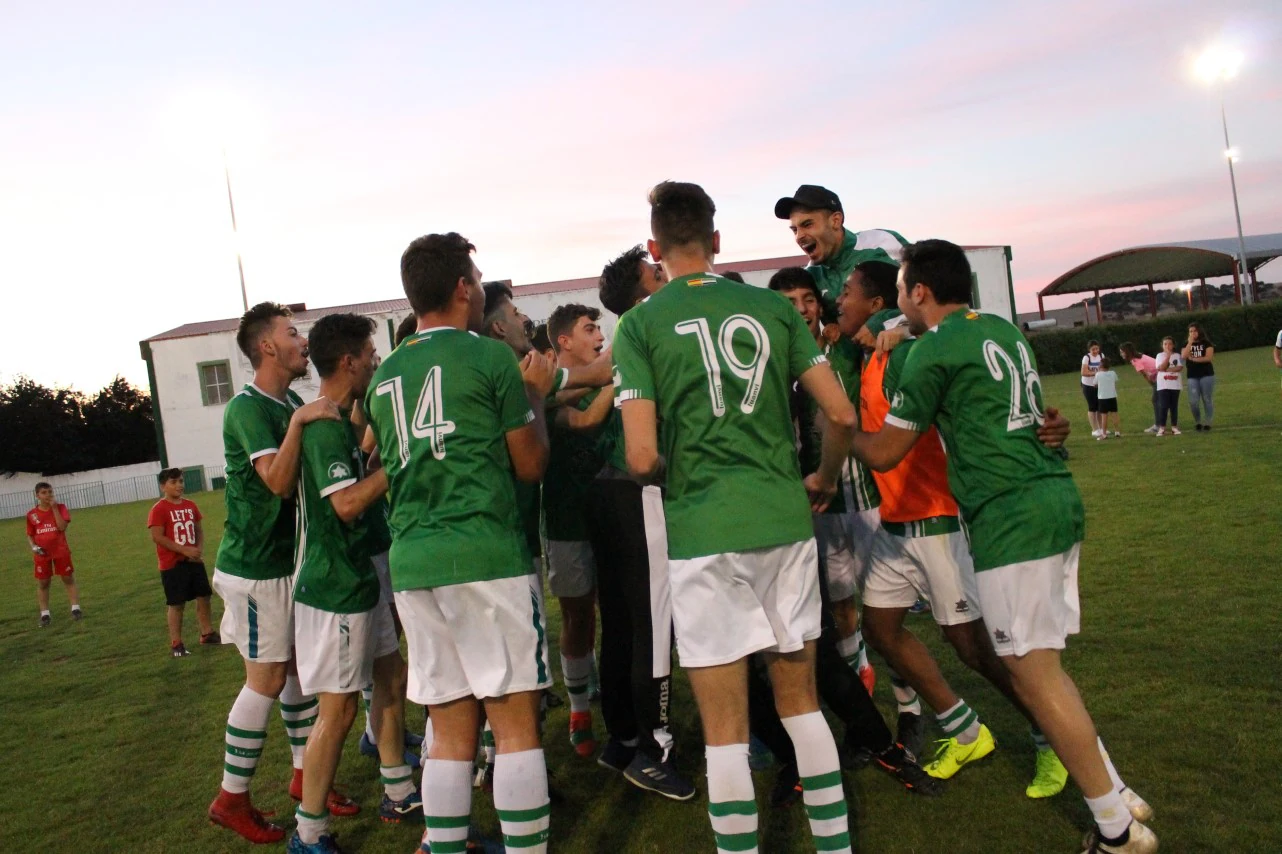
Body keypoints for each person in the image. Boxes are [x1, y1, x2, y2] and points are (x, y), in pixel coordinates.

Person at [849, 239, 1155, 853]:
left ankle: (1117, 835)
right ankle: (1117, 793)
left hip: (1010, 514)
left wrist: (837, 428)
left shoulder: (930, 349)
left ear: (919, 292)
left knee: (1034, 675)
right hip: (1053, 498)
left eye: (904, 292)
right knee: (1045, 670)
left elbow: (884, 450)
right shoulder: (1000, 330)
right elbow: (1028, 411)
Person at [615, 182, 854, 853]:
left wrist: (678, 468)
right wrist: (825, 479)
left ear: (656, 250)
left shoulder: (639, 324)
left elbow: (638, 457)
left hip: (703, 531)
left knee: (724, 729)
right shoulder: (771, 309)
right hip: (782, 517)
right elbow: (840, 415)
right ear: (716, 241)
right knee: (801, 703)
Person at [838, 265, 1071, 797]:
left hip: (937, 519)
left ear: (880, 303)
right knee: (882, 630)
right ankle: (965, 730)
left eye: (845, 294)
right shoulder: (862, 356)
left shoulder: (905, 354)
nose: (835, 303)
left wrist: (839, 432)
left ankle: (1052, 738)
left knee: (975, 647)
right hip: (893, 523)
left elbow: (962, 402)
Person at [366, 233, 556, 854]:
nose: (479, 287)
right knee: (514, 723)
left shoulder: (385, 373)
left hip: (415, 560)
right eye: (474, 277)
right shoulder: (489, 359)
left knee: (448, 728)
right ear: (460, 287)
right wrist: (536, 396)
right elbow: (530, 466)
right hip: (485, 554)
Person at [207, 302, 349, 844]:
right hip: (255, 568)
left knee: (292, 670)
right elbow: (278, 482)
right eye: (292, 332)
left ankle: (300, 775)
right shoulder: (248, 408)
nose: (302, 340)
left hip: (285, 563)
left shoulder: (289, 399)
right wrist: (299, 419)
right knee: (265, 679)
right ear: (267, 347)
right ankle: (231, 797)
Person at [286, 313, 422, 854]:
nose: (374, 360)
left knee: (390, 677)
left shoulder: (338, 420)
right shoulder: (321, 426)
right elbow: (344, 505)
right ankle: (309, 831)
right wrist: (394, 463)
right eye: (369, 353)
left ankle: (399, 790)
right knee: (337, 710)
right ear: (349, 361)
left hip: (359, 576)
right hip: (335, 587)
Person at [588, 245, 694, 800]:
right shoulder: (647, 324)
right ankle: (655, 748)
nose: (665, 274)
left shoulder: (630, 330)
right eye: (656, 272)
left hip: (608, 489)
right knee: (653, 625)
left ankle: (623, 737)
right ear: (642, 289)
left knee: (625, 622)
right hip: (637, 487)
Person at [767, 267, 875, 691]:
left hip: (868, 493)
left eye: (807, 299)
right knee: (840, 601)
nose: (801, 309)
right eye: (788, 302)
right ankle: (859, 673)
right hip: (814, 501)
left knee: (887, 606)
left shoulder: (845, 348)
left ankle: (908, 701)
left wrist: (889, 328)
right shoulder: (771, 363)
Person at [543, 304, 615, 759]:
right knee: (576, 615)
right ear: (564, 341)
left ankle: (613, 697)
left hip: (612, 513)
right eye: (590, 329)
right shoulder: (547, 390)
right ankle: (578, 709)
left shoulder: (594, 383)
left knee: (618, 611)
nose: (599, 335)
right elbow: (586, 423)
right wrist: (618, 379)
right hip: (567, 519)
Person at [774, 183, 907, 318]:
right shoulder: (810, 277)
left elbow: (926, 293)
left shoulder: (881, 242)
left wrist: (893, 326)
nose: (799, 236)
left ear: (836, 221)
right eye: (795, 230)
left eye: (807, 225)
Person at [147, 468, 217, 656]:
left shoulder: (190, 505)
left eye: (180, 481)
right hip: (173, 564)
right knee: (177, 604)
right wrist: (184, 550)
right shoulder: (159, 509)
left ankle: (207, 633)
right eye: (173, 482)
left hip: (194, 560)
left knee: (204, 595)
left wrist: (198, 549)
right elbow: (157, 537)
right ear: (163, 486)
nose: (179, 485)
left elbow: (198, 530)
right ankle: (176, 642)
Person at [27, 483, 82, 626]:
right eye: (44, 493)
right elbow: (30, 534)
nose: (48, 495)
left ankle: (75, 608)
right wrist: (34, 547)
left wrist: (54, 508)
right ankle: (45, 614)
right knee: (43, 582)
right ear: (37, 495)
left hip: (60, 551)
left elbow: (62, 527)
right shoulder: (32, 515)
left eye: (50, 492)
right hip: (42, 554)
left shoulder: (61, 507)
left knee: (67, 578)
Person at [1118, 343, 1158, 433]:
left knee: (1156, 400)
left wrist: (1152, 384)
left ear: (1127, 352)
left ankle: (1158, 425)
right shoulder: (1139, 356)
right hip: (1159, 375)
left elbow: (1144, 374)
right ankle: (1160, 423)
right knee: (1158, 400)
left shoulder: (1135, 360)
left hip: (1159, 377)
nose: (1121, 354)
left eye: (1122, 352)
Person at [1183, 323, 1216, 431]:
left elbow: (1208, 358)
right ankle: (1198, 421)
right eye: (1190, 331)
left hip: (1206, 375)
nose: (1193, 333)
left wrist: (1193, 359)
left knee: (1207, 399)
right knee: (1193, 402)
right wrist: (1190, 343)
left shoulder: (1206, 343)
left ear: (1199, 331)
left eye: (1194, 331)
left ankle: (1208, 422)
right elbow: (1183, 356)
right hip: (1192, 376)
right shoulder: (1187, 344)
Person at [1155, 336, 1183, 437]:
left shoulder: (1177, 355)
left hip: (1175, 384)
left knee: (1174, 406)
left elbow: (1179, 367)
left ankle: (1174, 426)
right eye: (1165, 344)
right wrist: (1168, 356)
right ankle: (1162, 427)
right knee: (1164, 406)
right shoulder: (1159, 356)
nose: (1167, 346)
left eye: (1170, 344)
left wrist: (1167, 370)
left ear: (1173, 345)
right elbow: (1161, 367)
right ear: (1162, 345)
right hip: (1163, 385)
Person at [1081, 341, 1104, 438]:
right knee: (1092, 406)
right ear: (1089, 350)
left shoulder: (1102, 356)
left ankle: (1102, 428)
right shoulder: (1087, 357)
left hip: (1099, 384)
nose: (1095, 351)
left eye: (1097, 349)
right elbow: (1083, 372)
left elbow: (1104, 368)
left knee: (1100, 406)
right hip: (1088, 385)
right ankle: (1094, 429)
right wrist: (1096, 373)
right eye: (1093, 349)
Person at [1095, 358, 1120, 439]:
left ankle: (1104, 434)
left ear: (1101, 365)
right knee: (1114, 414)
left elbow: (1095, 384)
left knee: (1104, 416)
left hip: (1103, 398)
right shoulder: (1113, 373)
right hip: (1112, 396)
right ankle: (1117, 431)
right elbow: (1115, 381)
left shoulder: (1098, 374)